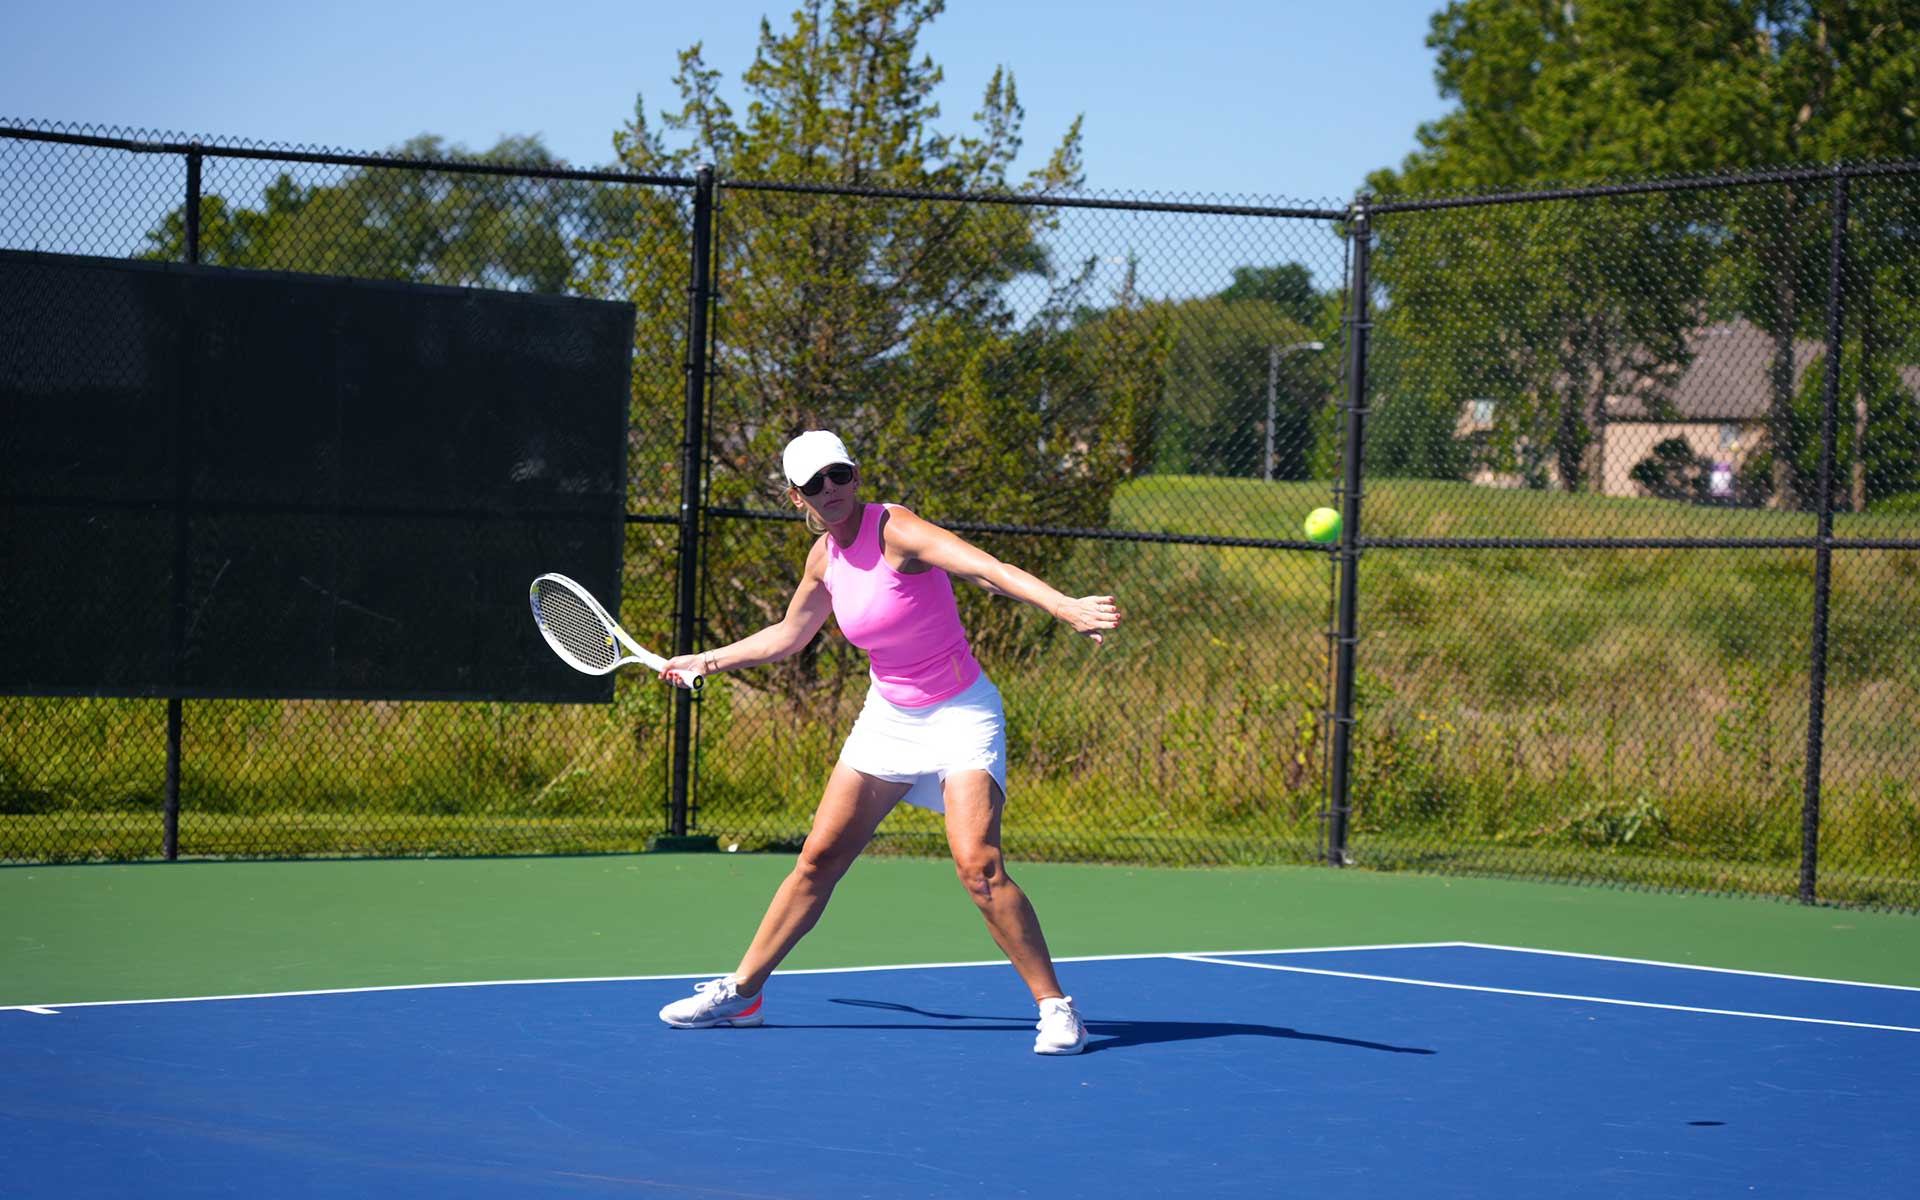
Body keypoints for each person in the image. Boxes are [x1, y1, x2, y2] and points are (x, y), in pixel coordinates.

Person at [655, 430, 1121, 1055]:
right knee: (818, 859)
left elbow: (987, 569)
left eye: (840, 474)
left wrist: (1062, 606)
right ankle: (743, 994)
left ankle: (1057, 1008)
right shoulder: (823, 559)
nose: (831, 490)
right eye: (814, 483)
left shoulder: (895, 529)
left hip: (960, 711)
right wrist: (705, 660)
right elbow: (790, 635)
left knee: (979, 867)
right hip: (889, 717)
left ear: (854, 475)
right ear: (796, 497)